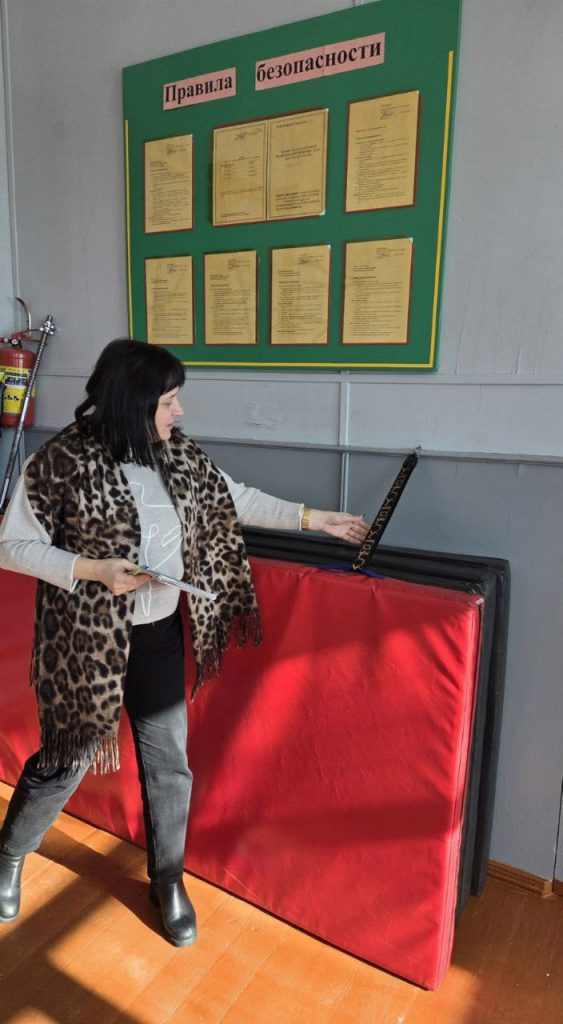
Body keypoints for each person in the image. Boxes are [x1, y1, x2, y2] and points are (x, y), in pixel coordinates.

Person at [0, 338, 368, 946]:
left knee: (169, 763)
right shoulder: (60, 461)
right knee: (65, 758)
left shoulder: (178, 453)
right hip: (87, 642)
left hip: (159, 636)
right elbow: (11, 546)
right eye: (169, 400)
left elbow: (233, 497)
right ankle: (11, 853)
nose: (180, 411)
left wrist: (314, 518)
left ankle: (167, 879)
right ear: (134, 400)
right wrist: (93, 570)